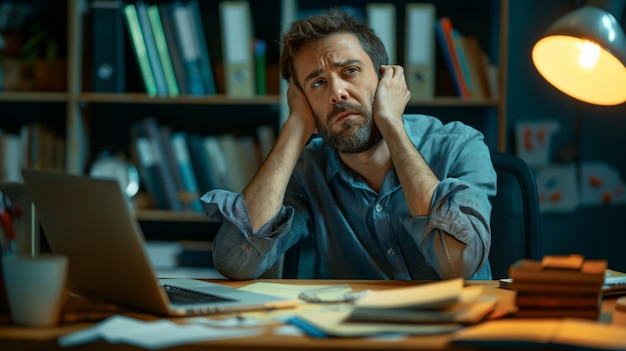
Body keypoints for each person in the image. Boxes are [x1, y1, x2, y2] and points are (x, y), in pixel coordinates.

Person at [201, 8, 496, 280]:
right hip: (356, 335)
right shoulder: (308, 171)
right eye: (317, 83)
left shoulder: (460, 145)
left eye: (349, 71)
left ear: (385, 79)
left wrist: (391, 124)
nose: (337, 92)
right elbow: (235, 263)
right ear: (302, 101)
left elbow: (459, 263)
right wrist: (294, 128)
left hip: (459, 333)